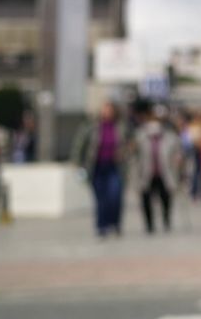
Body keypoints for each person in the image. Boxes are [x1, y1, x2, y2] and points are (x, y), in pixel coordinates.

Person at [72, 101, 128, 238]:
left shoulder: (121, 127)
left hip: (115, 167)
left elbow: (131, 144)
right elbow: (80, 144)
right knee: (101, 199)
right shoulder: (92, 127)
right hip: (97, 167)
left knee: (115, 197)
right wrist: (77, 162)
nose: (107, 112)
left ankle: (115, 223)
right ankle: (101, 226)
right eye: (105, 109)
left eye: (109, 110)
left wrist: (124, 152)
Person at [128, 104, 183, 234]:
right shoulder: (140, 135)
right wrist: (132, 148)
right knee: (146, 198)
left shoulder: (170, 136)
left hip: (164, 173)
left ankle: (166, 220)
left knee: (166, 198)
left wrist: (178, 159)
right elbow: (133, 154)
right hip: (146, 173)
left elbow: (178, 151)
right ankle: (149, 224)